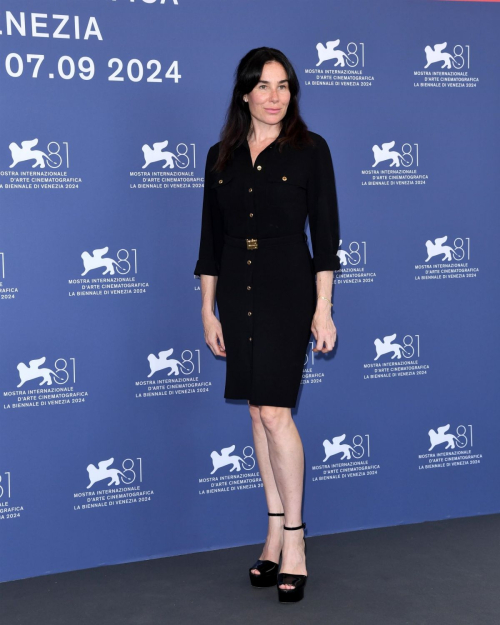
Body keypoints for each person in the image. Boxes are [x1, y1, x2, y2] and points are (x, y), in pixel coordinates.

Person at [194, 47, 340, 603]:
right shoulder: (220, 156)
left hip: (287, 286)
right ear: (245, 93)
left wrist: (322, 307)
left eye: (283, 86)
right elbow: (209, 241)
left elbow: (325, 238)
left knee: (276, 411)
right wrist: (208, 309)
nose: (275, 96)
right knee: (257, 410)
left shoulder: (310, 150)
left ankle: (297, 541)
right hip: (235, 284)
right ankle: (274, 530)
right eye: (264, 86)